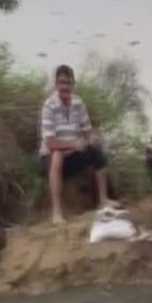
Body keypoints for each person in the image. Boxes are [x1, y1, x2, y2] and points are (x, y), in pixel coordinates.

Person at [39, 65, 116, 225]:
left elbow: (87, 131)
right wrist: (73, 144)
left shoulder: (78, 103)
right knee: (57, 155)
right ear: (56, 84)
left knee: (96, 148)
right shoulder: (49, 106)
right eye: (61, 83)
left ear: (73, 84)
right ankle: (57, 212)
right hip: (50, 158)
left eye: (68, 83)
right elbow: (50, 143)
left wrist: (89, 139)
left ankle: (103, 199)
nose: (65, 87)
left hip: (73, 153)